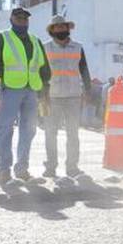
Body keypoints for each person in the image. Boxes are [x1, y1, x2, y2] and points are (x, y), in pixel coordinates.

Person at [0, 7, 51, 186]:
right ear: (12, 19)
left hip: (32, 90)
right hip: (11, 89)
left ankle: (22, 169)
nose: (22, 20)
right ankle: (4, 170)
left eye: (25, 18)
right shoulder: (2, 38)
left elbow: (44, 68)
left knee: (29, 130)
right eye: (19, 18)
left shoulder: (36, 41)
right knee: (5, 129)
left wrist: (45, 90)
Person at [42, 14, 91, 178]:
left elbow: (84, 70)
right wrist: (41, 94)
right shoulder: (45, 48)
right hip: (52, 96)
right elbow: (40, 72)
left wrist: (88, 91)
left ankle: (72, 167)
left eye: (64, 27)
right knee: (50, 133)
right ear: (52, 30)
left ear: (68, 29)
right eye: (58, 27)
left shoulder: (78, 47)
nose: (61, 29)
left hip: (73, 96)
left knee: (73, 134)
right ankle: (50, 167)